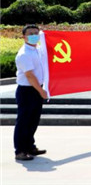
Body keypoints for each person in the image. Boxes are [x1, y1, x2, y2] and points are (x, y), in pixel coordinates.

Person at [14, 25, 47, 161]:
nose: (34, 36)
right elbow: (29, 75)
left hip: (36, 88)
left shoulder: (38, 49)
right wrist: (41, 91)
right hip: (27, 90)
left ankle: (30, 146)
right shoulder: (24, 54)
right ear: (24, 37)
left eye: (36, 33)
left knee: (33, 120)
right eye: (30, 34)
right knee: (24, 121)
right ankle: (20, 150)